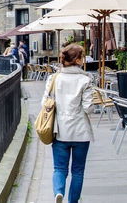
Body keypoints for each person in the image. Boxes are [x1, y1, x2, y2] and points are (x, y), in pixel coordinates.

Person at [41, 44, 94, 203]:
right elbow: (88, 108)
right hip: (80, 132)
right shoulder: (85, 80)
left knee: (59, 168)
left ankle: (59, 192)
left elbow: (45, 103)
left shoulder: (53, 78)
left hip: (59, 131)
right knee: (78, 171)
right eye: (82, 57)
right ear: (78, 60)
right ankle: (73, 201)